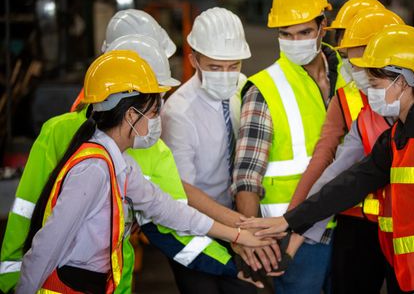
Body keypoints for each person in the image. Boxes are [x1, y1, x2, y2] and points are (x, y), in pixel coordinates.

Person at [240, 25, 414, 294]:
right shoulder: (397, 135)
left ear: (402, 81)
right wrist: (289, 221)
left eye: (376, 84)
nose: (371, 94)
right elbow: (349, 184)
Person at [17, 50, 271, 293]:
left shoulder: (121, 165)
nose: (157, 120)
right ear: (130, 115)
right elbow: (46, 247)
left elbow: (171, 211)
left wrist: (238, 235)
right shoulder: (93, 170)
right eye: (153, 112)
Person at [0, 10, 176, 294]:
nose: (157, 109)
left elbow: (170, 212)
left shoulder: (144, 149)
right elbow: (32, 221)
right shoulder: (65, 137)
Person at [231, 0, 345, 293]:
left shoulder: (348, 74)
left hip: (352, 224)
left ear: (323, 27)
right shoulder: (265, 90)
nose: (295, 41)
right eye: (286, 34)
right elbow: (246, 177)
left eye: (304, 32)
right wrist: (251, 241)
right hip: (296, 239)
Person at [285, 7, 405, 294]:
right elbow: (327, 165)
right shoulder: (349, 100)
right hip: (358, 224)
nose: (354, 69)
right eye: (349, 58)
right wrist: (292, 223)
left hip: (409, 225)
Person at [160, 7, 268, 293]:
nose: (226, 75)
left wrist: (246, 226)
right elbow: (184, 191)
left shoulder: (243, 90)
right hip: (196, 227)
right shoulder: (178, 112)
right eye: (215, 67)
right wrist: (237, 227)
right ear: (194, 59)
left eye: (233, 66)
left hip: (239, 219)